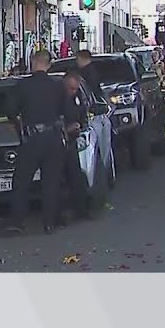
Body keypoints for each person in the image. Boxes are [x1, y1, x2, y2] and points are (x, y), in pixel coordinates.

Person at [6, 50, 72, 234]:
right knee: (50, 182)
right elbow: (67, 111)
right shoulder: (57, 86)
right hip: (52, 138)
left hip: (32, 139)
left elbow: (11, 111)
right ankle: (49, 222)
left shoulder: (23, 85)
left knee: (21, 181)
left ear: (33, 62)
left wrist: (20, 127)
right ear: (49, 65)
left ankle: (17, 221)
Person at [59, 70, 94, 221]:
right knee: (58, 181)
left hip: (71, 143)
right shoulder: (56, 100)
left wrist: (79, 125)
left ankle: (82, 211)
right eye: (71, 88)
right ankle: (59, 215)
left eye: (75, 89)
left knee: (76, 177)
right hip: (57, 144)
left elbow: (81, 114)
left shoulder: (77, 97)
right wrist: (67, 129)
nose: (73, 92)